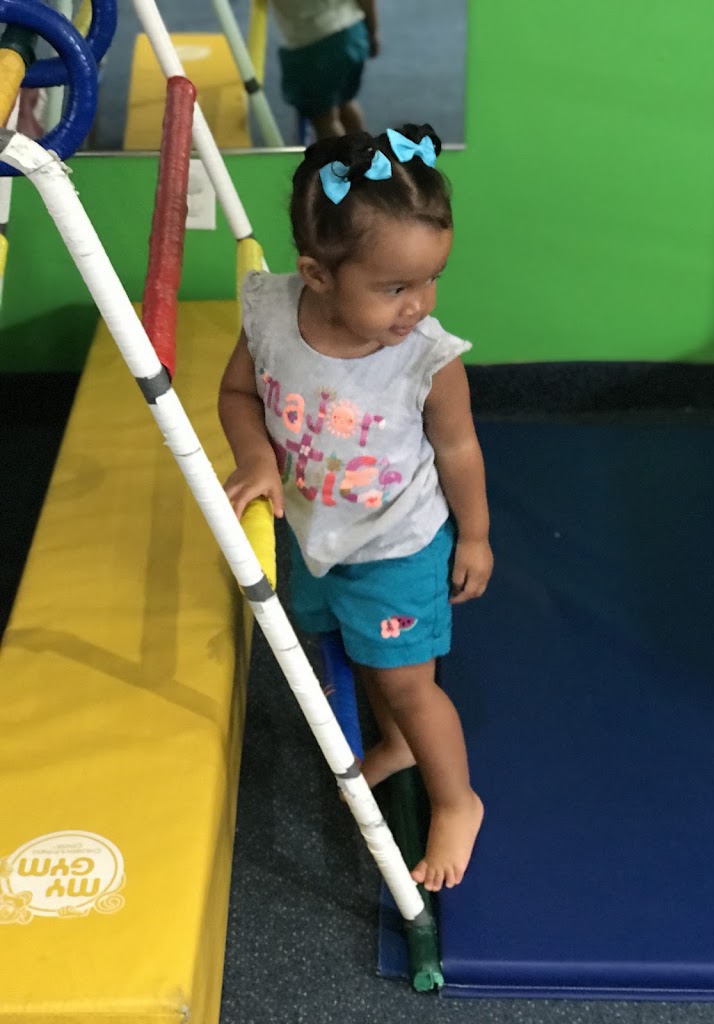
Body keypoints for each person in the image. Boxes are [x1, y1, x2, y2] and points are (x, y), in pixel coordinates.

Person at [218, 123, 493, 892]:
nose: (418, 305)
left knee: (409, 682)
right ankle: (399, 745)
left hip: (399, 545)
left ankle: (457, 800)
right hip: (320, 533)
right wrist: (256, 456)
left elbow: (459, 448)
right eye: (395, 287)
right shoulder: (272, 317)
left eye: (431, 280)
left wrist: (475, 536)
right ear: (316, 274)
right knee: (360, 652)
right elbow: (237, 393)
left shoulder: (426, 357)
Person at [269, 0, 378, 139]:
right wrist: (372, 33)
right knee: (345, 101)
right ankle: (366, 150)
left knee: (324, 119)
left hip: (314, 44)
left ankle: (338, 153)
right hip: (352, 32)